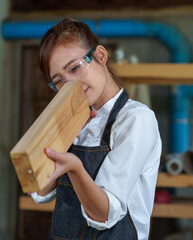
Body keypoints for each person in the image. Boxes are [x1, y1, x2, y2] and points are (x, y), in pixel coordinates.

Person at [30, 18, 162, 240]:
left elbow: (103, 214)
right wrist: (59, 138)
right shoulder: (74, 121)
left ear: (100, 56)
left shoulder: (136, 120)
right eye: (59, 81)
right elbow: (41, 191)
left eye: (74, 68)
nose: (71, 84)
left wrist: (75, 168)